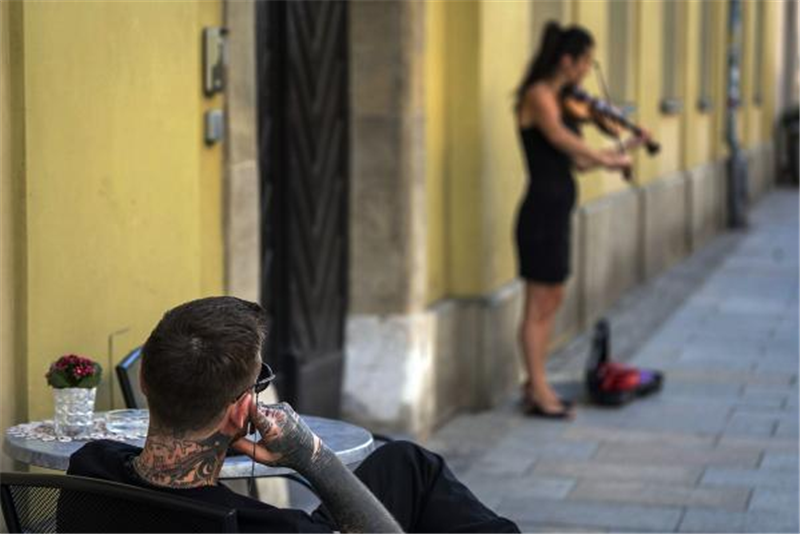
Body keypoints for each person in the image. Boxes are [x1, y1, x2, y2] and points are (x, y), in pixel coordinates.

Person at [67, 296, 519, 533]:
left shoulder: (87, 467)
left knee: (406, 466)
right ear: (242, 410)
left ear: (144, 379)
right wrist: (312, 457)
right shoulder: (273, 527)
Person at [514, 22, 648, 418]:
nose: (588, 70)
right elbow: (560, 139)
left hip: (555, 211)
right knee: (538, 302)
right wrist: (609, 157)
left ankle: (532, 384)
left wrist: (623, 146)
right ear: (567, 60)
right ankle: (540, 391)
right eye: (585, 61)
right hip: (539, 212)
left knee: (551, 298)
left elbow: (577, 161)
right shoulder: (538, 95)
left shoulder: (562, 98)